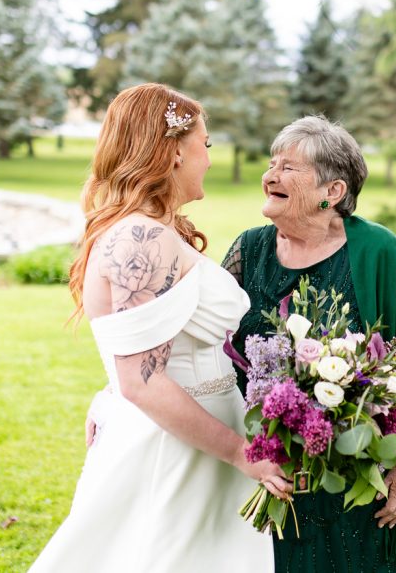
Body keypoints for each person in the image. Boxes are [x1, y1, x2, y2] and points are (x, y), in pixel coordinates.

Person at [28, 83, 287, 573]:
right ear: (174, 152)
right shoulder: (140, 237)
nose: (209, 159)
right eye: (205, 144)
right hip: (173, 450)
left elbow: (143, 353)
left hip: (196, 440)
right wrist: (239, 452)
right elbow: (142, 381)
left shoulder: (152, 229)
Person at [223, 116, 396, 573]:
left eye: (289, 167)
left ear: (332, 191)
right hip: (270, 473)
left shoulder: (378, 252)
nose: (270, 175)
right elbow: (200, 342)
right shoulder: (248, 250)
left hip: (360, 481)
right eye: (271, 164)